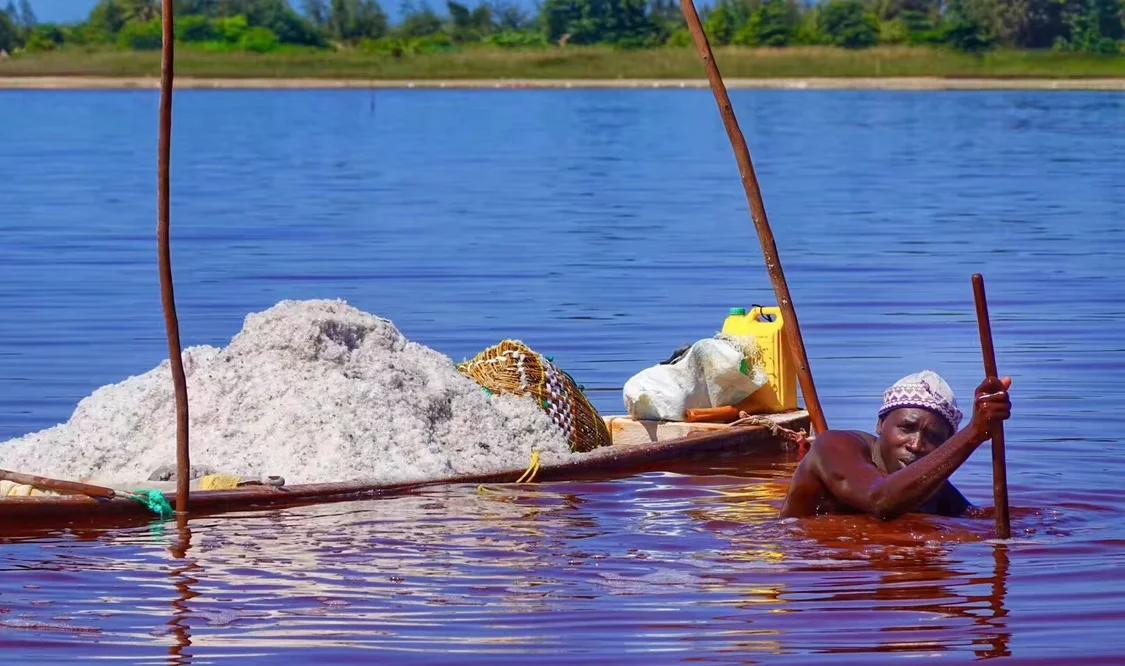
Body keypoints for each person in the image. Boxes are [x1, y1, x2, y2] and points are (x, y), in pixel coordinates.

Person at [780, 370, 1012, 519]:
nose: (916, 445)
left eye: (933, 438)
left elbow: (979, 519)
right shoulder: (833, 447)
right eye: (906, 428)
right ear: (881, 424)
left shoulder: (931, 488)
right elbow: (880, 499)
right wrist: (974, 433)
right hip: (809, 577)